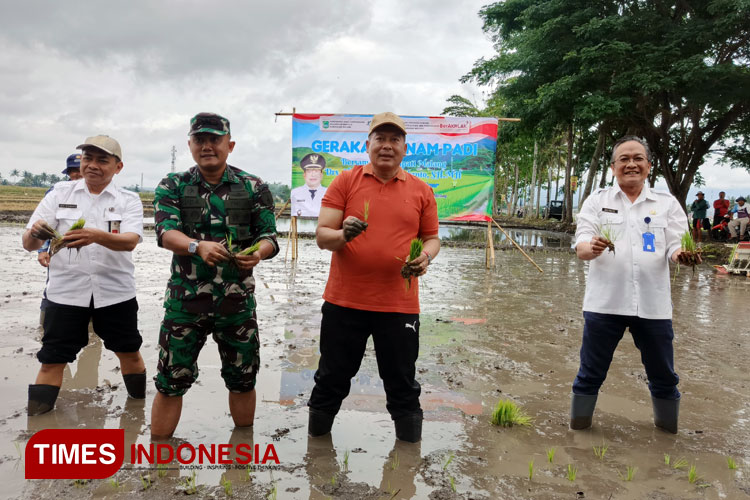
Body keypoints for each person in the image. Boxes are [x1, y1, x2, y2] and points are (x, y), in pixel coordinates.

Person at [307, 112, 440, 443]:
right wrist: (344, 235)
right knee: (331, 377)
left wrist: (424, 257)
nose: (387, 145)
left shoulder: (422, 191)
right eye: (380, 138)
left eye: (395, 139)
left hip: (399, 305)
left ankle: (408, 460)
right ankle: (317, 456)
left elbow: (433, 238)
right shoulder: (345, 182)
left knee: (402, 382)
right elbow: (323, 236)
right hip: (344, 302)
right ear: (367, 145)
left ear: (404, 148)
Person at [150, 112, 279, 439]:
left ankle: (241, 455)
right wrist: (197, 247)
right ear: (190, 145)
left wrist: (257, 254)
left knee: (243, 379)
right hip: (184, 305)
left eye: (214, 139)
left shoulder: (253, 187)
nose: (207, 146)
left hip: (236, 305)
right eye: (200, 140)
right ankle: (159, 459)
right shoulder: (173, 185)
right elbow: (165, 233)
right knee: (170, 382)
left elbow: (270, 237)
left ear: (229, 145)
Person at [570, 136, 698, 434]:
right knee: (590, 374)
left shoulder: (666, 203)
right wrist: (594, 246)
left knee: (664, 376)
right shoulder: (597, 201)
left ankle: (668, 433)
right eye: (624, 159)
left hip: (654, 306)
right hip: (604, 304)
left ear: (649, 166)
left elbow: (676, 246)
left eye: (638, 158)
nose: (631, 164)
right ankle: (578, 431)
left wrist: (682, 255)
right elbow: (581, 245)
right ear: (613, 167)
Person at [22, 135, 147, 415]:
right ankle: (37, 425)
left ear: (118, 167)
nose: (92, 165)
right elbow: (29, 243)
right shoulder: (59, 194)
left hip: (115, 293)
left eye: (102, 160)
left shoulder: (129, 200)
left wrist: (96, 236)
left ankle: (137, 410)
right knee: (51, 359)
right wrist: (34, 233)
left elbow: (129, 240)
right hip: (65, 293)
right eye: (87, 159)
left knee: (128, 351)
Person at [37, 154, 83, 269]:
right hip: (60, 248)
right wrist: (42, 250)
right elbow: (46, 224)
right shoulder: (56, 193)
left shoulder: (98, 192)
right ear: (68, 173)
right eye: (73, 171)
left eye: (80, 170)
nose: (78, 174)